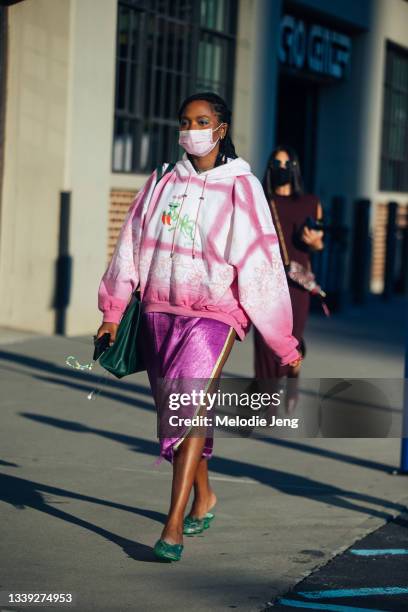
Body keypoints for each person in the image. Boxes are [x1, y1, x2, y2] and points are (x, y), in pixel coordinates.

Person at [95, 93, 301, 562]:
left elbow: (260, 265)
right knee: (183, 413)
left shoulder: (242, 187)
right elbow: (130, 244)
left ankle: (172, 527)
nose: (192, 129)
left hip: (215, 313)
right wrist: (112, 310)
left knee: (186, 408)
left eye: (202, 121)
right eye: (185, 121)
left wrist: (282, 342)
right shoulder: (161, 183)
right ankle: (204, 497)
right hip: (157, 312)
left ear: (221, 129)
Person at [254, 145, 324, 406]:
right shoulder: (260, 200)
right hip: (264, 283)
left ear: (295, 169)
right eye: (276, 163)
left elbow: (319, 244)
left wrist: (316, 242)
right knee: (264, 345)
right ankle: (266, 403)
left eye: (287, 164)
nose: (281, 169)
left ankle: (292, 374)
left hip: (296, 284)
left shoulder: (310, 203)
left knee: (291, 341)